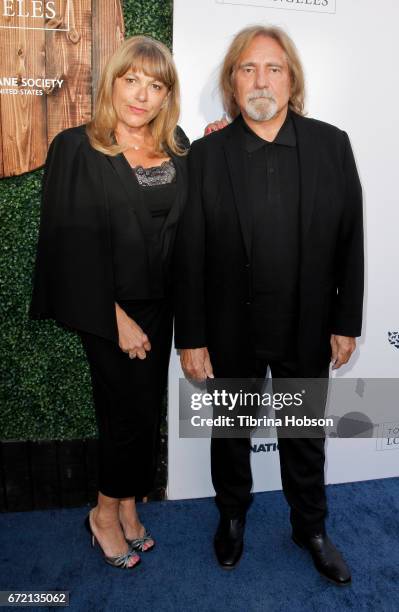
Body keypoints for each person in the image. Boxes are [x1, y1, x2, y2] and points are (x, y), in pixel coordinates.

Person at [174, 25, 364, 585]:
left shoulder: (332, 145)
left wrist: (344, 321)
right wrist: (191, 335)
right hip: (231, 328)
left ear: (292, 79)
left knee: (303, 434)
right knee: (231, 430)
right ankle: (231, 516)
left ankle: (311, 527)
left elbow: (350, 239)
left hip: (306, 326)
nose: (262, 79)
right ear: (233, 83)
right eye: (248, 69)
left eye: (273, 68)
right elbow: (190, 254)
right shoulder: (207, 155)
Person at [30, 36, 190, 569]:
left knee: (144, 414)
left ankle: (125, 505)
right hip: (109, 308)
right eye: (132, 80)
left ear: (167, 95)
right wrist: (113, 316)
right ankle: (103, 515)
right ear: (113, 82)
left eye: (156, 85)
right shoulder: (77, 147)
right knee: (122, 414)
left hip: (161, 305)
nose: (142, 95)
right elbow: (67, 241)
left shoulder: (178, 145)